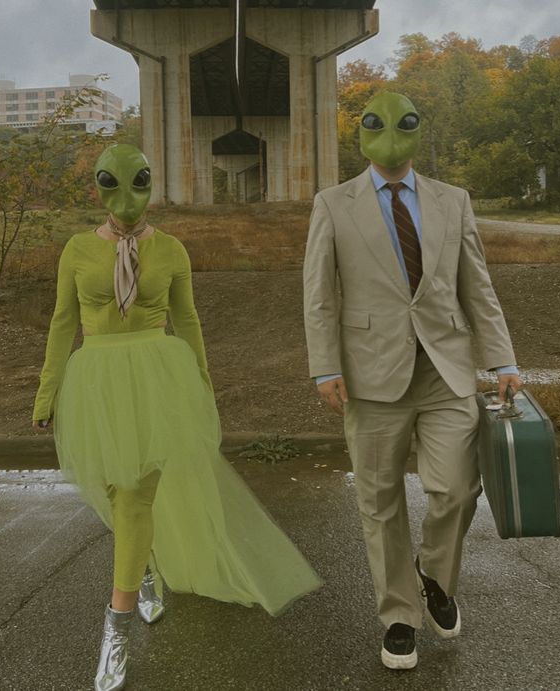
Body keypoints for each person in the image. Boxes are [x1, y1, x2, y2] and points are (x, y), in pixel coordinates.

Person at [32, 143, 321, 691]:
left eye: (139, 182)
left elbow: (187, 322)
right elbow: (61, 322)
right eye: (113, 184)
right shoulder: (74, 249)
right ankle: (142, 570)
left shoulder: (171, 250)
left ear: (151, 184)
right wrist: (47, 393)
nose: (127, 197)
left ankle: (114, 627)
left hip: (159, 380)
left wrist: (203, 390)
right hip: (96, 381)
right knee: (118, 495)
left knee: (138, 494)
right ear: (98, 188)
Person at [303, 92, 522, 670]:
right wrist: (324, 366)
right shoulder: (333, 203)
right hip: (370, 375)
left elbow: (478, 286)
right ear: (365, 135)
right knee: (379, 502)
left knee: (455, 488)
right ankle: (399, 617)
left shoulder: (453, 201)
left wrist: (502, 360)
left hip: (447, 369)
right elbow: (320, 294)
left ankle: (434, 573)